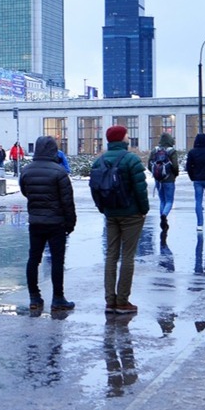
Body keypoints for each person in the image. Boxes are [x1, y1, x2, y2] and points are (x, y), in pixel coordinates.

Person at [91, 125, 149, 314]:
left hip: (111, 214)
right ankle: (123, 301)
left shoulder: (99, 161)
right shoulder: (131, 159)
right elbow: (140, 188)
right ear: (121, 138)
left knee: (111, 255)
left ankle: (110, 301)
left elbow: (95, 189)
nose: (128, 137)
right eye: (126, 135)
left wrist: (103, 209)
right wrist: (143, 210)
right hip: (131, 214)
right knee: (128, 256)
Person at [19, 136, 77, 312]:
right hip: (56, 223)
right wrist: (70, 223)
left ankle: (34, 297)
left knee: (33, 259)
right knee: (57, 261)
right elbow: (67, 201)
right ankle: (58, 299)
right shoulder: (59, 172)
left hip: (35, 221)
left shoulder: (26, 171)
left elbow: (25, 192)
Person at [151, 133, 179, 232]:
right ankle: (164, 215)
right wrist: (175, 174)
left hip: (158, 180)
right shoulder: (171, 151)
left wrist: (155, 174)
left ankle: (162, 219)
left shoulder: (155, 150)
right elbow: (175, 166)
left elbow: (150, 165)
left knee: (162, 200)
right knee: (169, 201)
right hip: (169, 179)